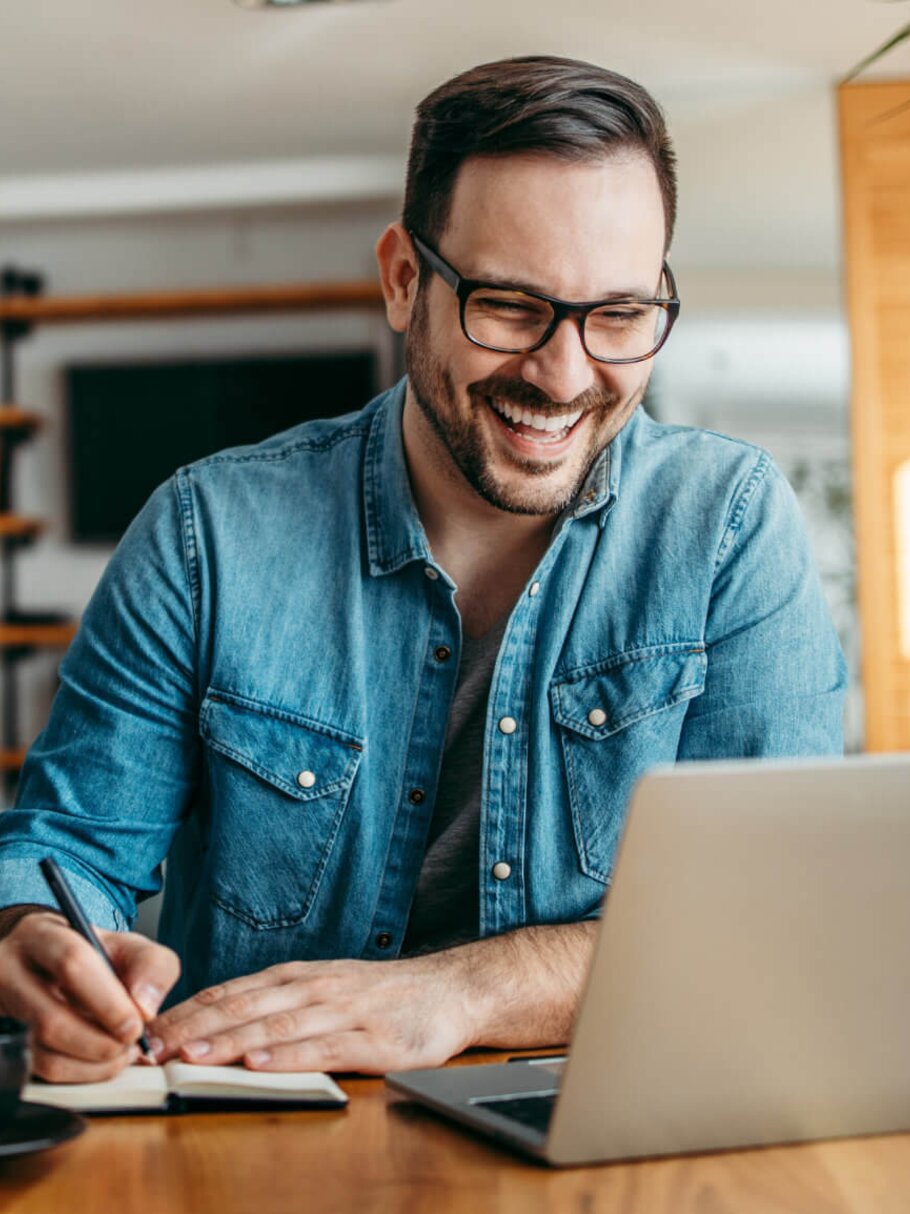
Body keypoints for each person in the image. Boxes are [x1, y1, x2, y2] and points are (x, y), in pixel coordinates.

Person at [0, 56, 845, 1084]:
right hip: (262, 1144)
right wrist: (39, 937)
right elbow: (66, 847)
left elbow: (766, 917)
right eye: (510, 306)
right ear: (404, 280)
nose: (565, 374)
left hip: (604, 1140)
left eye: (618, 314)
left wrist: (460, 992)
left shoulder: (729, 526)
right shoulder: (204, 533)